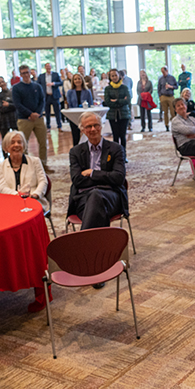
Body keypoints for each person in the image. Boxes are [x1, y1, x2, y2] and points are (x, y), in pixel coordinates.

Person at [67, 111, 129, 288]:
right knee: (95, 199)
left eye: (96, 125)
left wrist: (93, 173)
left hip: (111, 197)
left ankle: (82, 253)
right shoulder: (75, 152)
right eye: (88, 127)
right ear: (83, 130)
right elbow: (77, 180)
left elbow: (118, 178)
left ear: (101, 127)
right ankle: (97, 267)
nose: (93, 129)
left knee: (96, 196)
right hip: (83, 199)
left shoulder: (116, 148)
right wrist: (104, 176)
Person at [12, 65, 52, 173]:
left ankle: (43, 164)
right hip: (24, 119)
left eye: (27, 72)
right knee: (23, 144)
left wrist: (37, 113)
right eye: (23, 73)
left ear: (31, 73)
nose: (26, 75)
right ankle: (25, 167)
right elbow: (17, 104)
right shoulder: (16, 88)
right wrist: (30, 114)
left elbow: (42, 101)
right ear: (20, 75)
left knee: (43, 142)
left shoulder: (37, 86)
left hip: (38, 119)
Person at [0, 131, 48, 212]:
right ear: (6, 147)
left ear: (24, 145)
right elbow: (2, 188)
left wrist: (35, 195)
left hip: (34, 201)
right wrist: (19, 196)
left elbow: (43, 181)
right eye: (12, 142)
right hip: (10, 202)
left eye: (19, 142)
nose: (16, 145)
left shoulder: (35, 161)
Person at [104, 68, 131, 161]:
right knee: (115, 136)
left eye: (116, 75)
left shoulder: (124, 87)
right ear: (110, 77)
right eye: (112, 76)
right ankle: (116, 156)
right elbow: (107, 101)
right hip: (112, 115)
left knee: (122, 136)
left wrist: (116, 101)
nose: (114, 77)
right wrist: (121, 100)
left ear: (119, 76)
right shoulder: (108, 89)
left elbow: (128, 100)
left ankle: (124, 155)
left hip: (124, 114)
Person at [66, 73, 93, 146]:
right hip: (74, 116)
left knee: (87, 135)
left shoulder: (87, 91)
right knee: (75, 136)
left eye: (79, 78)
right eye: (75, 79)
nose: (77, 80)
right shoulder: (70, 92)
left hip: (85, 116)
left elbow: (90, 104)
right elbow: (69, 105)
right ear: (73, 81)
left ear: (82, 80)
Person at [37, 63, 63, 131]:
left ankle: (59, 126)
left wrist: (54, 83)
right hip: (46, 96)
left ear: (51, 67)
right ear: (45, 67)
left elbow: (61, 83)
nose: (48, 68)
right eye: (47, 67)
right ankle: (48, 126)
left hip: (54, 96)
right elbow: (38, 85)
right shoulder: (41, 76)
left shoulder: (55, 74)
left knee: (57, 112)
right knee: (47, 112)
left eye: (49, 67)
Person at [0, 76, 18, 142]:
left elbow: (17, 105)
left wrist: (8, 105)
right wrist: (12, 106)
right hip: (3, 119)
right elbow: (1, 108)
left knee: (17, 137)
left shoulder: (13, 93)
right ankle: (5, 152)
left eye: (2, 81)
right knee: (5, 139)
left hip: (14, 117)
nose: (2, 84)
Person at [157, 66, 177, 130]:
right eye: (162, 72)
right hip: (163, 96)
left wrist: (170, 86)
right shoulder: (160, 79)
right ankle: (166, 125)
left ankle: (174, 125)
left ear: (167, 71)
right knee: (165, 112)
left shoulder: (172, 78)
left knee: (172, 112)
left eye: (164, 72)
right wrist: (160, 97)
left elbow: (176, 86)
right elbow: (158, 88)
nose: (163, 73)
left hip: (171, 96)